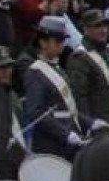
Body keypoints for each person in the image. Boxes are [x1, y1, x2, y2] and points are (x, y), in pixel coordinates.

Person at [24, 18, 99, 160]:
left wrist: (90, 122)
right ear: (43, 42)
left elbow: (68, 109)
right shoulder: (35, 72)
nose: (62, 45)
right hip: (52, 146)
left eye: (62, 41)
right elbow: (36, 112)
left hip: (69, 142)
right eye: (57, 41)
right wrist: (65, 134)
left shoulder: (58, 68)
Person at [67, 8, 109, 125]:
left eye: (105, 26)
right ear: (85, 29)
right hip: (98, 122)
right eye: (97, 26)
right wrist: (90, 124)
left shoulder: (104, 51)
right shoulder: (80, 57)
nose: (103, 30)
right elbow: (79, 97)